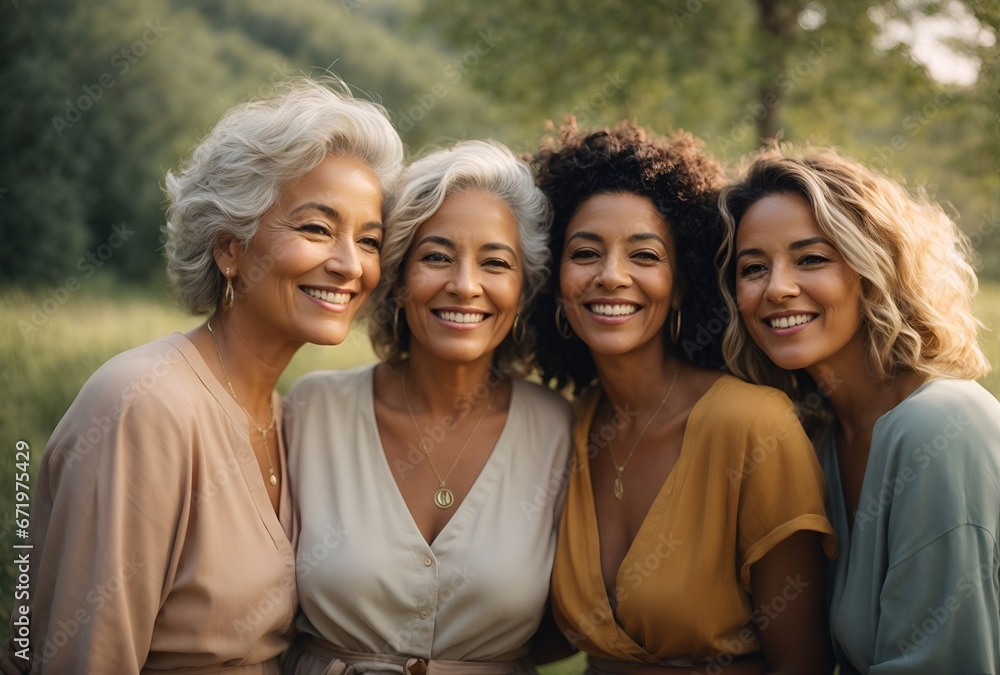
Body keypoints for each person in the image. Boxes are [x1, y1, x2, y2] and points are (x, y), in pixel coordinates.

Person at [1, 77, 404, 674]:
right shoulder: (145, 406)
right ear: (229, 249)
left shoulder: (287, 415)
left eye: (368, 240)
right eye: (317, 228)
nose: (350, 264)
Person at [528, 121, 836, 674]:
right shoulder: (570, 428)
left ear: (682, 284)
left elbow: (804, 665)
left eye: (644, 255)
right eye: (585, 253)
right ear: (555, 280)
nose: (612, 276)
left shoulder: (751, 425)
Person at [282, 139, 574, 674]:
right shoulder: (311, 413)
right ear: (397, 279)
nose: (464, 286)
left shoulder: (559, 430)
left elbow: (574, 622)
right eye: (436, 257)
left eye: (495, 263)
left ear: (523, 287)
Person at [718, 147, 1000, 673]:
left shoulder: (940, 425)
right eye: (754, 267)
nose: (777, 288)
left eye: (812, 258)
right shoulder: (820, 437)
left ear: (874, 269)